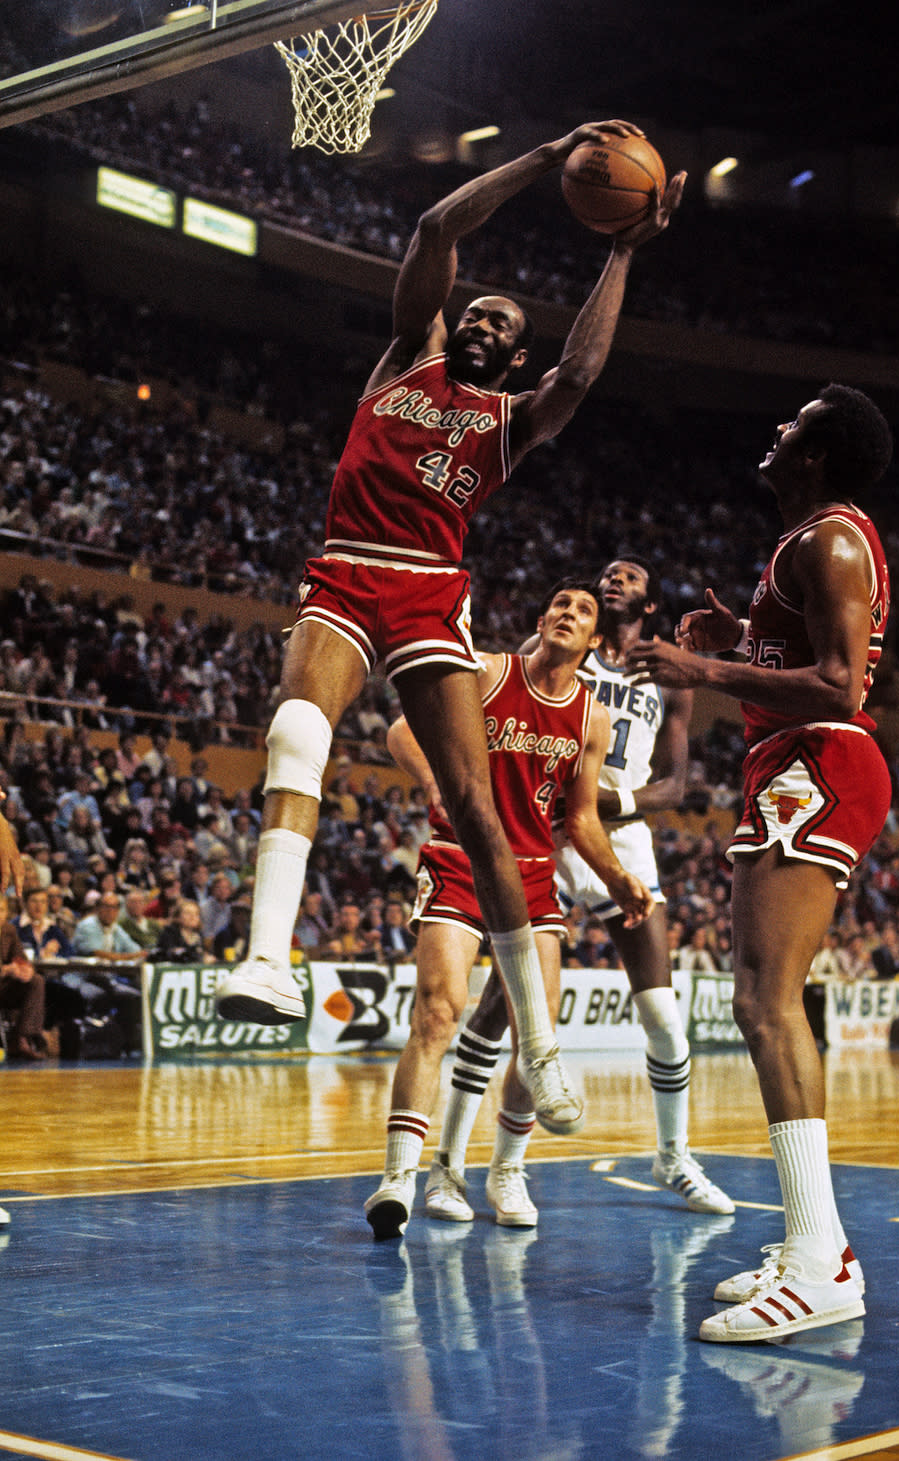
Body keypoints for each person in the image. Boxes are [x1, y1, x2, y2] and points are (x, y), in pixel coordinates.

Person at [215, 122, 685, 1137]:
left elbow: (580, 376)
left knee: (479, 808)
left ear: (512, 353)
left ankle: (543, 1053)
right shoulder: (403, 360)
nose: (482, 321)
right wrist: (544, 155)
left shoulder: (506, 421)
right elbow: (433, 226)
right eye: (475, 310)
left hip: (432, 592)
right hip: (346, 571)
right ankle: (263, 959)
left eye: (501, 323)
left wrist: (618, 251)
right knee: (299, 732)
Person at [625, 383, 894, 1342]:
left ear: (817, 456)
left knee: (766, 1000)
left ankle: (821, 1262)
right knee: (760, 995)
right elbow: (798, 658)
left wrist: (705, 672)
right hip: (792, 758)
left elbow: (841, 681)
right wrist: (735, 642)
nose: (776, 430)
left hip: (820, 756)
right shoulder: (811, 540)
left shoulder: (832, 539)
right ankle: (816, 1242)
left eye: (795, 425)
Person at [428, 557, 732, 1223]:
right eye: (608, 575)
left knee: (662, 1013)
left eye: (631, 577)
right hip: (545, 838)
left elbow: (678, 786)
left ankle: (674, 1154)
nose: (614, 579)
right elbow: (500, 696)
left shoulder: (669, 670)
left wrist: (601, 801)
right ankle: (462, 1164)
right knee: (506, 1014)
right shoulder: (559, 643)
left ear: (649, 606)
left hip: (614, 835)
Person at [364, 579, 654, 1238]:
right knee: (437, 1011)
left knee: (536, 1033)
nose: (567, 613)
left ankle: (507, 1169)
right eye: (559, 604)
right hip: (459, 860)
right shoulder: (490, 671)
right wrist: (438, 781)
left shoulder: (591, 717)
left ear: (593, 638)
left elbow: (579, 818)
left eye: (581, 610)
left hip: (529, 874)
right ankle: (401, 1175)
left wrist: (617, 877)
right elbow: (403, 732)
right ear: (542, 618)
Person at [0, 891, 46, 1060]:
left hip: (4, 987)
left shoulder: (8, 930)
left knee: (36, 981)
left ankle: (22, 1038)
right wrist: (8, 970)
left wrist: (25, 969)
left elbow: (21, 958)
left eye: (2, 910)